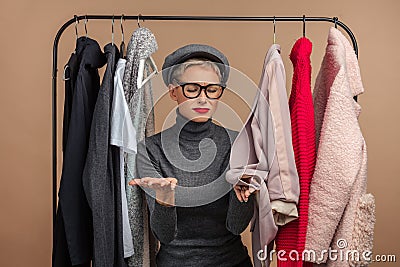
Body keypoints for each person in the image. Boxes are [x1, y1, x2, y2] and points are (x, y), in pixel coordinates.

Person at [129, 44, 258, 267]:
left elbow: (237, 227)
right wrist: (165, 200)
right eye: (192, 88)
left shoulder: (239, 143)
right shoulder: (150, 150)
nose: (203, 98)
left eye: (212, 89)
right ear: (173, 91)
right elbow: (165, 235)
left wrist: (242, 196)